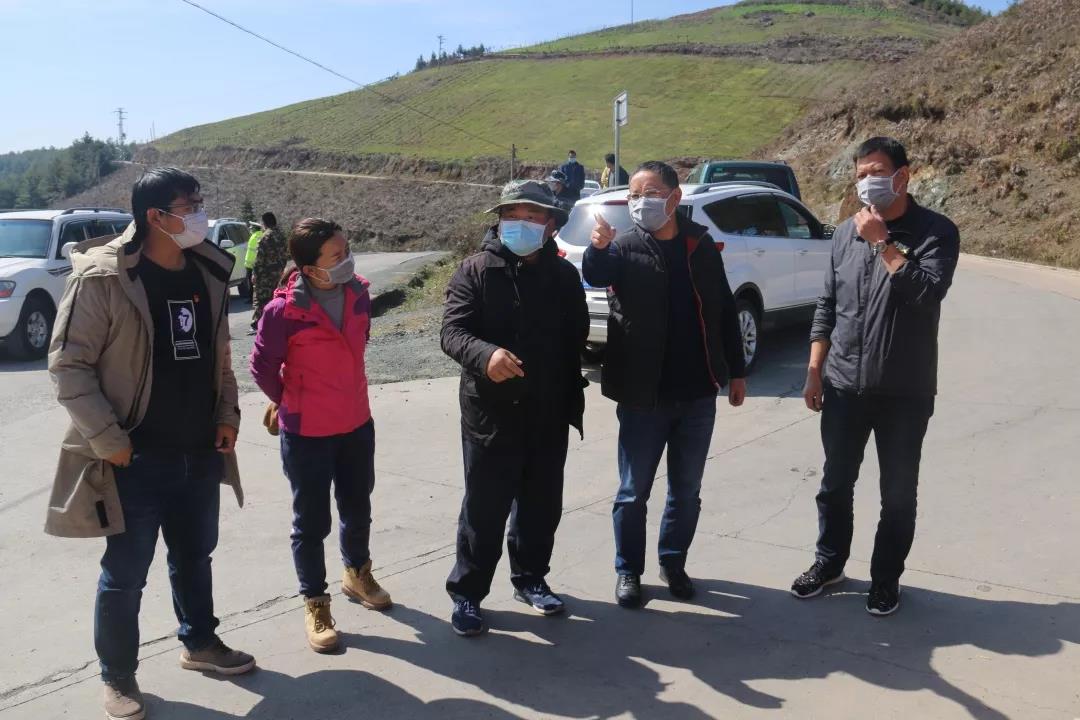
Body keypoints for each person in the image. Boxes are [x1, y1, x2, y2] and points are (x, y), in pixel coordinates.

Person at [46, 167, 254, 720]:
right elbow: (68, 367)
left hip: (199, 449)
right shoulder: (104, 278)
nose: (200, 214)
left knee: (195, 556)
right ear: (155, 216)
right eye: (190, 206)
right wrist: (109, 441)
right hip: (133, 456)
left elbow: (220, 356)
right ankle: (117, 677)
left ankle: (200, 643)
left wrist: (226, 415)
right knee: (126, 575)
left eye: (201, 202)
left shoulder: (206, 270)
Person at [791, 137, 960, 616]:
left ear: (903, 176)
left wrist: (882, 243)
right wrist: (814, 369)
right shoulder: (845, 233)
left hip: (904, 391)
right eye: (861, 173)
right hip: (844, 385)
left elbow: (927, 294)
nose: (867, 181)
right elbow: (828, 305)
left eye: (877, 171)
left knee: (898, 495)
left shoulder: (936, 232)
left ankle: (886, 580)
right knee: (834, 485)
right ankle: (829, 563)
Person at [582, 161, 747, 609]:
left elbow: (724, 310)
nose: (640, 203)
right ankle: (628, 571)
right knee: (632, 492)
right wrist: (597, 247)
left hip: (697, 395)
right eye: (634, 196)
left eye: (650, 193)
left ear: (675, 198)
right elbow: (596, 274)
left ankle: (673, 562)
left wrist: (736, 371)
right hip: (643, 396)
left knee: (686, 491)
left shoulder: (700, 246)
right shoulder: (625, 247)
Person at [441, 180, 588, 637]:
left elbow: (577, 337)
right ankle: (467, 593)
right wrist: (485, 355)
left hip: (548, 411)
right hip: (491, 413)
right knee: (484, 509)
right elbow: (452, 332)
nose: (519, 224)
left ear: (550, 225)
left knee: (541, 506)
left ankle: (530, 579)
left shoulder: (563, 277)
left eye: (531, 216)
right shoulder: (475, 271)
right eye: (511, 215)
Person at [250, 218, 391, 653]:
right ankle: (316, 602)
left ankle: (357, 574)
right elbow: (261, 366)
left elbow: (359, 346)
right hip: (307, 432)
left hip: (356, 423)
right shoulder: (282, 312)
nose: (347, 260)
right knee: (311, 523)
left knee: (358, 507)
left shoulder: (358, 293)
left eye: (347, 250)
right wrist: (287, 398)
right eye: (337, 255)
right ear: (310, 268)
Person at [250, 211, 287, 335]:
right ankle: (274, 322)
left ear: (264, 223)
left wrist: (255, 274)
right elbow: (285, 254)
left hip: (265, 274)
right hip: (278, 273)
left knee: (260, 298)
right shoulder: (281, 235)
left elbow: (259, 259)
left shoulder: (265, 236)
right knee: (274, 297)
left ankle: (257, 324)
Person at [242, 219, 266, 302]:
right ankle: (252, 298)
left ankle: (252, 298)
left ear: (255, 228)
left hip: (253, 264)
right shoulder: (257, 235)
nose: (250, 228)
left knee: (252, 282)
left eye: (252, 227)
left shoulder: (256, 236)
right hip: (252, 264)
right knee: (253, 282)